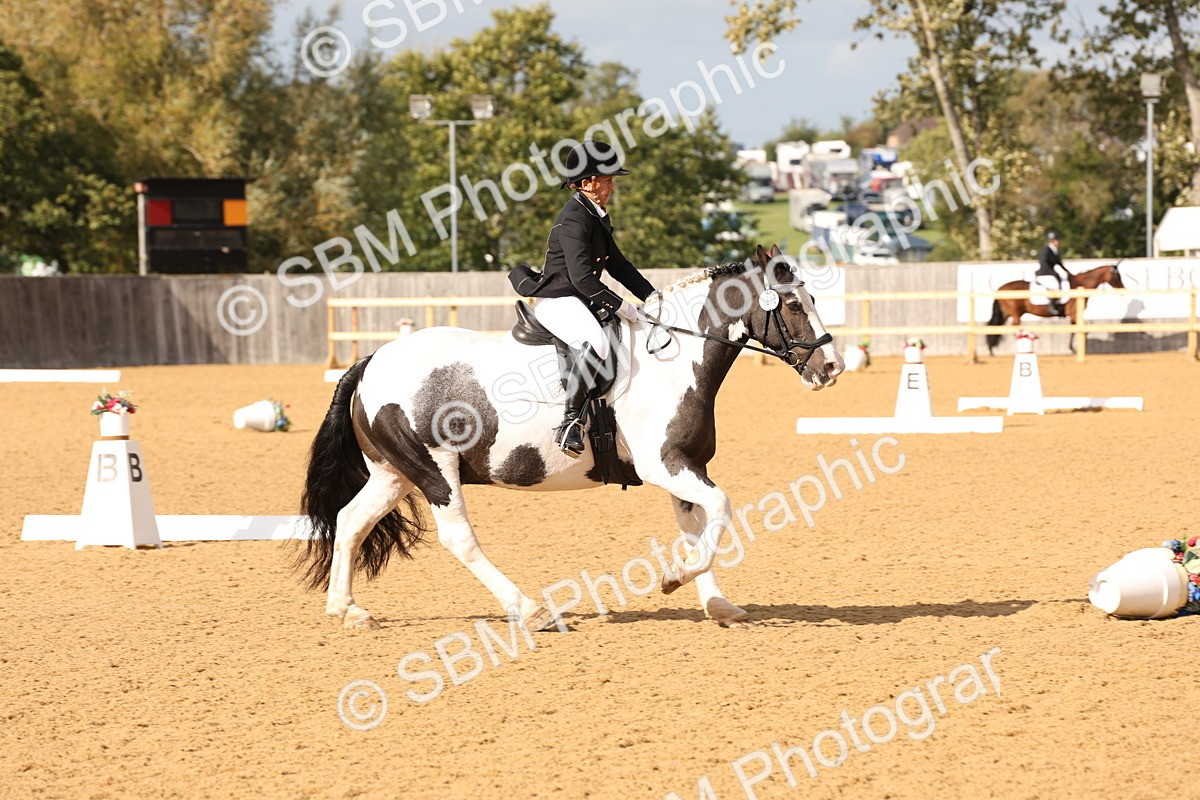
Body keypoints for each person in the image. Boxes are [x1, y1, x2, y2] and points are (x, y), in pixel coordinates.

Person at [508, 140, 654, 458]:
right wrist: (626, 307)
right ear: (587, 183)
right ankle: (571, 423)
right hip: (559, 300)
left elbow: (619, 265)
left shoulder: (594, 215)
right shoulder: (574, 219)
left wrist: (653, 296)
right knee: (597, 343)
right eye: (608, 180)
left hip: (579, 298)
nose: (612, 186)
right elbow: (583, 279)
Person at [1035, 231, 1070, 317]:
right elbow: (1044, 263)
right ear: (1053, 241)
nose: (1058, 242)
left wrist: (1069, 273)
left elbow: (1059, 263)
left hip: (1050, 273)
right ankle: (1052, 307)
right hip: (1044, 273)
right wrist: (1052, 272)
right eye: (1057, 240)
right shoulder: (1046, 250)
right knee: (1054, 285)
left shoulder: (1055, 251)